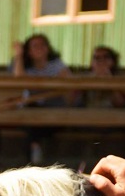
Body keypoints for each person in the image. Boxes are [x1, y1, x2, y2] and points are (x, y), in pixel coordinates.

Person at [10, 33, 77, 164]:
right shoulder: (27, 68)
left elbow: (70, 83)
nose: (39, 48)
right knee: (31, 114)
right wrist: (18, 55)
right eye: (35, 46)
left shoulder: (57, 65)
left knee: (34, 121)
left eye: (43, 45)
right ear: (28, 51)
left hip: (55, 108)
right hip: (32, 110)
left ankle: (32, 155)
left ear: (48, 48)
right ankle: (35, 152)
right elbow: (19, 79)